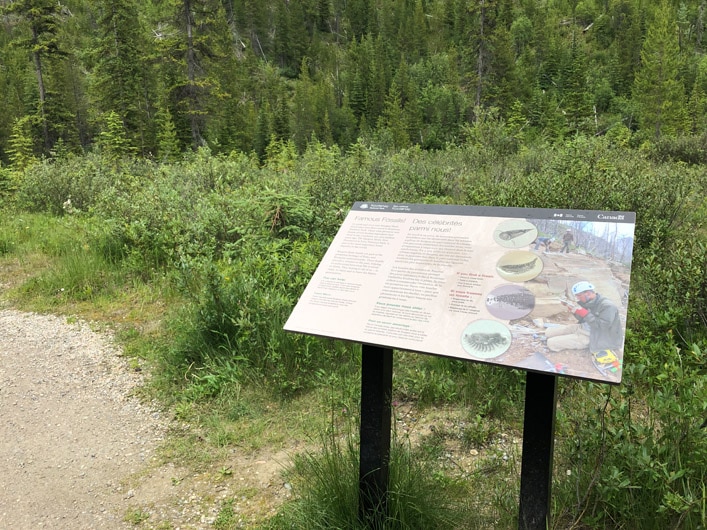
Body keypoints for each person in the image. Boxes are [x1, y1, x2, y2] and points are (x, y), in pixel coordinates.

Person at [546, 281, 623, 353]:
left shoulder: (607, 306)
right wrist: (574, 311)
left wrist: (585, 314)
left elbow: (602, 326)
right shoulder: (588, 301)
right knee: (548, 332)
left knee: (551, 343)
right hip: (584, 328)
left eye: (579, 295)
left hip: (595, 336)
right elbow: (582, 318)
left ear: (588, 293)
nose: (578, 298)